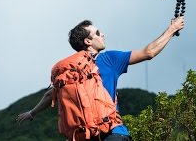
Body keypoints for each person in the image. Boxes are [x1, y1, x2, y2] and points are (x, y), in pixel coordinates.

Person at [16, 17, 185, 140]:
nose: (102, 34)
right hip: (113, 133)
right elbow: (149, 52)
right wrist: (171, 29)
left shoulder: (71, 71)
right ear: (88, 41)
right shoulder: (109, 59)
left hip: (84, 137)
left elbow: (49, 95)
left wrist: (32, 113)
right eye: (97, 33)